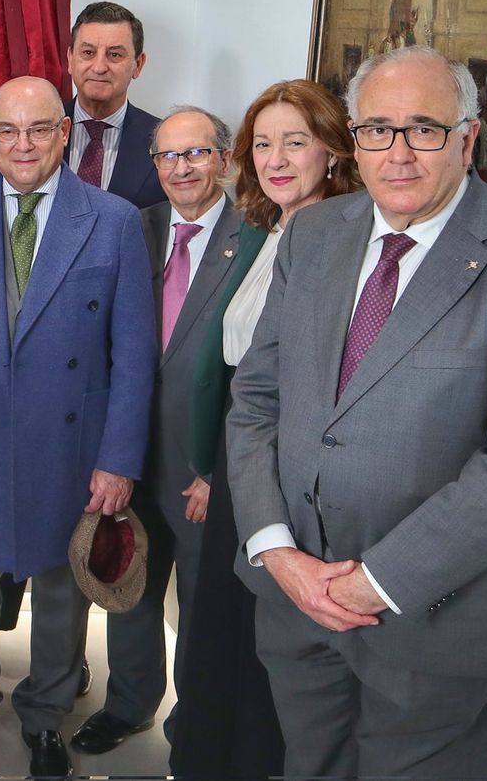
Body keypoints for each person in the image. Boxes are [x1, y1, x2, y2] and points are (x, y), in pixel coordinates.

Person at [227, 46, 487, 777]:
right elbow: (256, 400)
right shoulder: (313, 233)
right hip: (298, 602)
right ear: (354, 139)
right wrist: (277, 550)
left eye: (424, 129)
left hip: (436, 622)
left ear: (467, 139)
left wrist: (377, 581)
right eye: (377, 129)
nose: (397, 154)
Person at [0, 76, 155, 778]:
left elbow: (132, 357)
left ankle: (46, 717)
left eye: (39, 129)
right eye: (7, 131)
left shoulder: (110, 221)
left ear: (64, 131)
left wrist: (118, 460)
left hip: (68, 444)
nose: (22, 145)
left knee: (59, 593)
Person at [170, 78, 357, 780]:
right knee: (220, 636)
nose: (277, 159)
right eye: (264, 144)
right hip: (240, 452)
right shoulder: (269, 226)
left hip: (282, 470)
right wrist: (212, 465)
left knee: (258, 647)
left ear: (333, 150)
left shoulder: (343, 239)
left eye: (296, 142)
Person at [72, 106, 241, 758]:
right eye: (168, 156)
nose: (181, 169)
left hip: (202, 466)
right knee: (129, 586)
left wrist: (220, 467)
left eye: (195, 154)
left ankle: (195, 723)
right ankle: (129, 705)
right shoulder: (130, 230)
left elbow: (261, 374)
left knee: (201, 606)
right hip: (131, 452)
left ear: (224, 160)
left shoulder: (256, 238)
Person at [63, 1, 165, 209]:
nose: (99, 67)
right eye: (88, 53)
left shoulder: (164, 142)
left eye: (115, 55)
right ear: (70, 59)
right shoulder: (33, 134)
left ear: (138, 64)